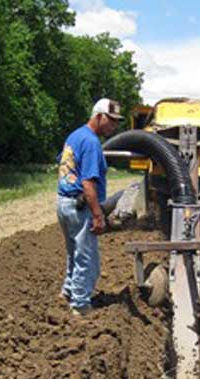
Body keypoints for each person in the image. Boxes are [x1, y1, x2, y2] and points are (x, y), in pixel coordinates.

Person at [56, 98, 123, 316]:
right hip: (80, 206)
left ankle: (67, 291)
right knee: (87, 259)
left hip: (64, 203)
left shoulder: (74, 136)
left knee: (73, 252)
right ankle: (80, 304)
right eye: (111, 121)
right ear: (98, 116)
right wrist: (97, 215)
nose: (113, 126)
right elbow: (88, 182)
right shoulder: (92, 142)